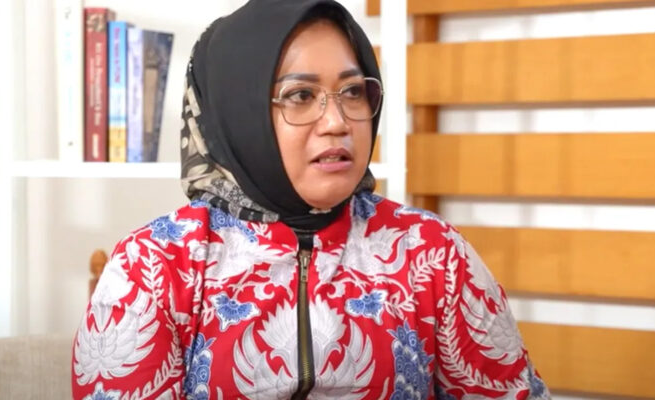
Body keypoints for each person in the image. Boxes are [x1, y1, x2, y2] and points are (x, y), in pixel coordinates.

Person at [71, 1, 551, 399]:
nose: (338, 121)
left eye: (353, 91)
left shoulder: (432, 253)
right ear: (238, 114)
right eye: (300, 95)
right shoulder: (155, 266)